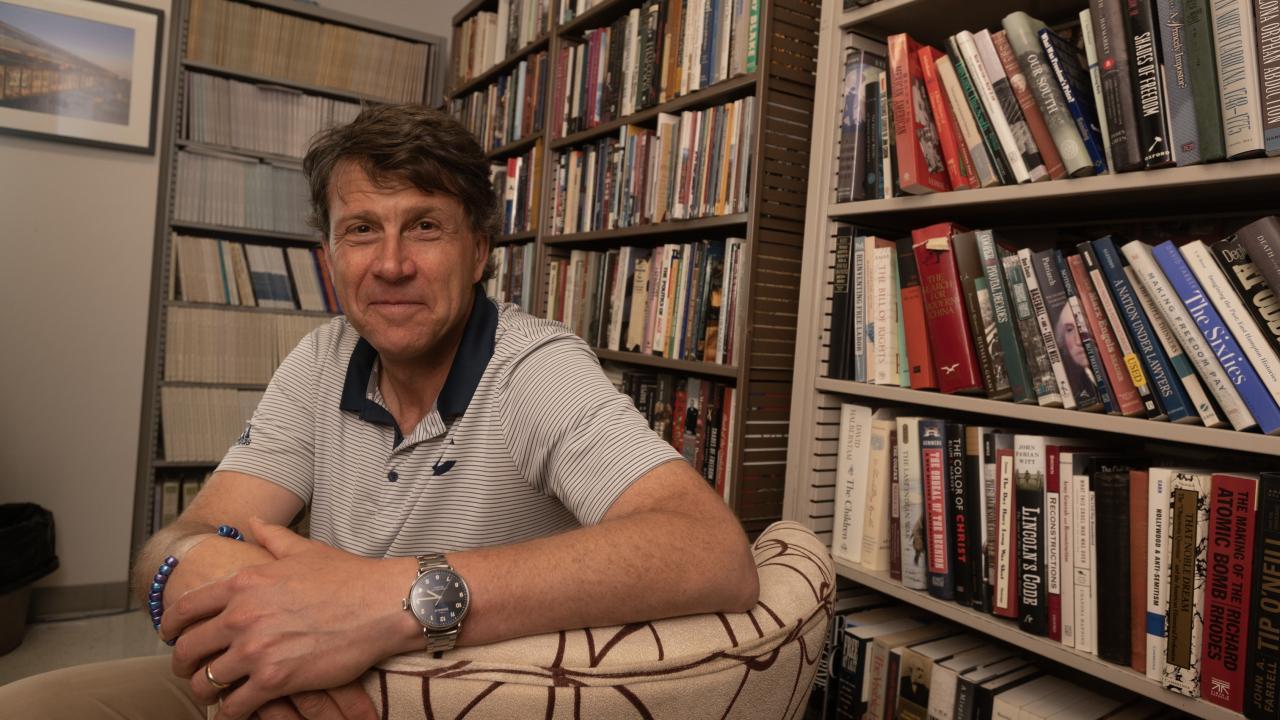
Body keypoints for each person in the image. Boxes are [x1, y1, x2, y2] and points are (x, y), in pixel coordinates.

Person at [0, 105, 758, 720]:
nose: (390, 263)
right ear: (329, 252)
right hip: (299, 681)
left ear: (481, 249)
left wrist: (389, 598)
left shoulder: (535, 367)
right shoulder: (321, 358)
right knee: (30, 705)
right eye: (361, 229)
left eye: (424, 226)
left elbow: (708, 550)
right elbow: (175, 542)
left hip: (463, 699)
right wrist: (260, 606)